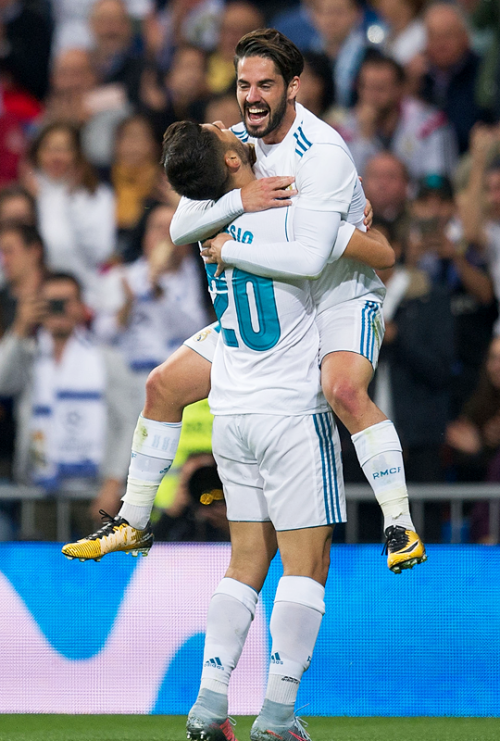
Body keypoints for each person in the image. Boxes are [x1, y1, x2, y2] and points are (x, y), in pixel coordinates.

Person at [62, 31, 426, 583]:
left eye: (265, 85)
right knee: (162, 385)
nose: (251, 97)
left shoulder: (323, 152)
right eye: (243, 85)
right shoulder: (232, 142)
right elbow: (183, 224)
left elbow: (316, 257)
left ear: (293, 87)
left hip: (339, 293)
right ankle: (134, 519)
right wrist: (241, 200)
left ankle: (398, 522)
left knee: (344, 389)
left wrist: (233, 244)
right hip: (276, 300)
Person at [160, 119, 395, 741]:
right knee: (306, 565)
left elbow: (184, 221)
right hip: (291, 411)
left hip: (230, 410)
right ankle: (278, 716)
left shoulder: (208, 218)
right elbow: (366, 259)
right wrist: (350, 217)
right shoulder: (291, 209)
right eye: (223, 134)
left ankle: (209, 707)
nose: (228, 123)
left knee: (245, 562)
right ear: (234, 161)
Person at [0, 271, 138, 537]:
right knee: (42, 573)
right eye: (50, 302)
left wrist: (113, 482)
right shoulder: (29, 356)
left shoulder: (106, 359)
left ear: (80, 307)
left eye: (65, 301)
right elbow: (3, 383)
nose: (58, 310)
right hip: (40, 490)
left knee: (99, 573)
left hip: (96, 491)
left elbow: (127, 424)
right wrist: (19, 327)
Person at [330, 54, 458, 179]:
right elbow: (346, 185)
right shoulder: (342, 130)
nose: (372, 96)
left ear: (399, 89)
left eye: (380, 88)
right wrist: (364, 139)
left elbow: (436, 180)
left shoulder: (430, 124)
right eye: (366, 88)